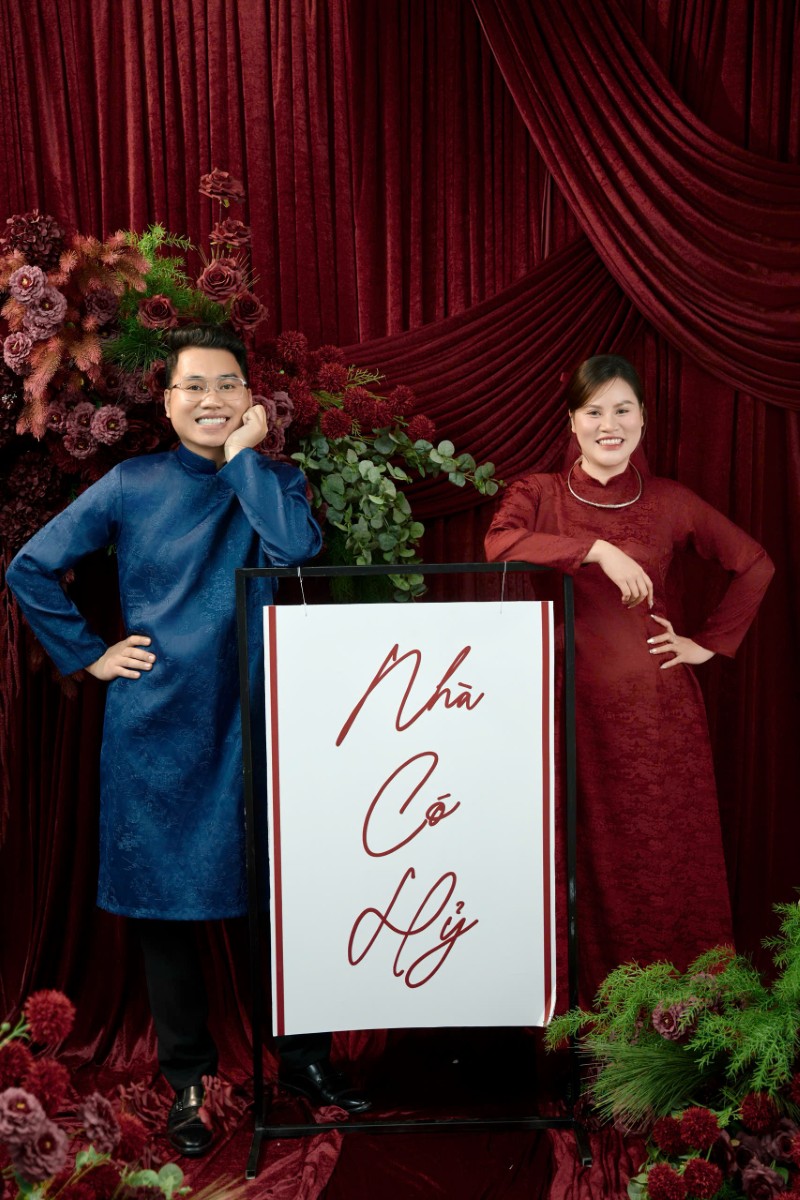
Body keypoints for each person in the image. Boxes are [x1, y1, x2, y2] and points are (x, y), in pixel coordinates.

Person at [7, 325, 371, 1158]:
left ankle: (305, 1061)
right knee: (163, 914)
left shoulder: (276, 480)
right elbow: (30, 566)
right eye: (194, 386)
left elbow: (296, 552)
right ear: (166, 401)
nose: (212, 400)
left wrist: (244, 460)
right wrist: (89, 654)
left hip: (261, 722)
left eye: (228, 385)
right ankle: (190, 1079)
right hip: (158, 727)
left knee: (283, 902)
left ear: (251, 399)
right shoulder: (132, 484)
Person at [484, 354, 774, 1005]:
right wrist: (597, 550)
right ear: (572, 421)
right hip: (569, 711)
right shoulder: (539, 493)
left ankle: (680, 1023)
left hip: (657, 717)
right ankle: (591, 1022)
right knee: (578, 863)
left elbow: (755, 563)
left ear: (643, 418)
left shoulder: (670, 501)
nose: (609, 424)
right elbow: (499, 544)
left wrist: (708, 645)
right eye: (594, 411)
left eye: (623, 409)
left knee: (666, 863)